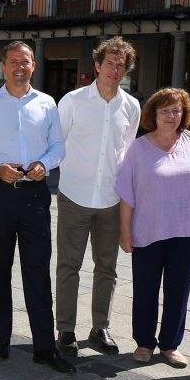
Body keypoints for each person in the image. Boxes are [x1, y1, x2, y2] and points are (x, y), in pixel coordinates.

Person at [0, 41, 74, 373]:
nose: (19, 67)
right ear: (3, 67)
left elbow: (58, 145)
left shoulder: (47, 103)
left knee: (38, 272)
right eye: (13, 61)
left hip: (35, 196)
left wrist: (46, 162)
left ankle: (44, 346)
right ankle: (1, 338)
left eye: (25, 62)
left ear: (33, 66)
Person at [117, 88, 190, 367]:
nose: (171, 116)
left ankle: (170, 345)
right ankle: (143, 343)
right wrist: (125, 232)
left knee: (179, 289)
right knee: (146, 288)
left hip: (188, 230)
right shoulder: (139, 148)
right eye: (164, 110)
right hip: (149, 229)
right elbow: (127, 194)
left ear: (184, 114)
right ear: (153, 114)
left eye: (176, 110)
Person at [54, 37, 141, 355]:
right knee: (69, 265)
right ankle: (65, 330)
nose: (114, 70)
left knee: (107, 267)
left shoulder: (131, 106)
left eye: (121, 65)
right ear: (97, 65)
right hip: (74, 194)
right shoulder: (73, 101)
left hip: (111, 199)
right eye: (110, 63)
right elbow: (57, 144)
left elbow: (128, 153)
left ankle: (99, 328)